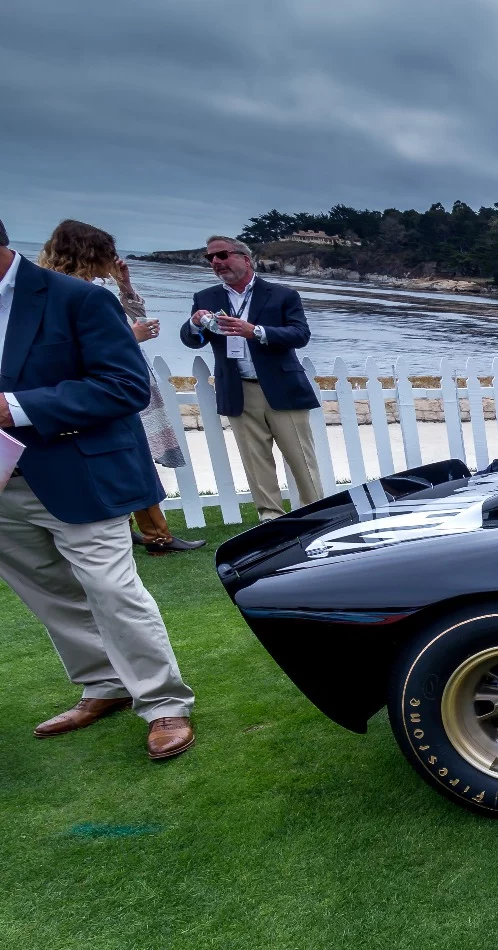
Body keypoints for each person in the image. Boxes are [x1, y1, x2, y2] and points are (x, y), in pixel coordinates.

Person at [0, 217, 196, 759]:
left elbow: (124, 386)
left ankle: (163, 704)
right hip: (3, 484)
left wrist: (14, 407)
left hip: (77, 470)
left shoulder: (76, 298)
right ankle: (103, 684)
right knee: (47, 592)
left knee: (111, 589)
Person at [36, 220, 204, 554]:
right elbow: (73, 349)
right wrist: (133, 336)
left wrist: (124, 285)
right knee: (134, 459)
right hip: (109, 389)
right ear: (92, 253)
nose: (113, 261)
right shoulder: (78, 293)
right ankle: (158, 537)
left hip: (97, 389)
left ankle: (136, 532)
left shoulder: (55, 287)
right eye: (108, 254)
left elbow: (126, 318)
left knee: (123, 459)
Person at [179, 235, 322, 521]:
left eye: (222, 255)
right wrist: (194, 324)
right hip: (238, 390)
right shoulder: (206, 298)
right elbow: (191, 341)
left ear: (245, 258)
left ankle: (315, 516)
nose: (216, 263)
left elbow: (300, 335)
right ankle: (270, 520)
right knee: (256, 463)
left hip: (283, 388)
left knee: (302, 460)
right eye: (210, 258)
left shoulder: (283, 295)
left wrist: (255, 331)